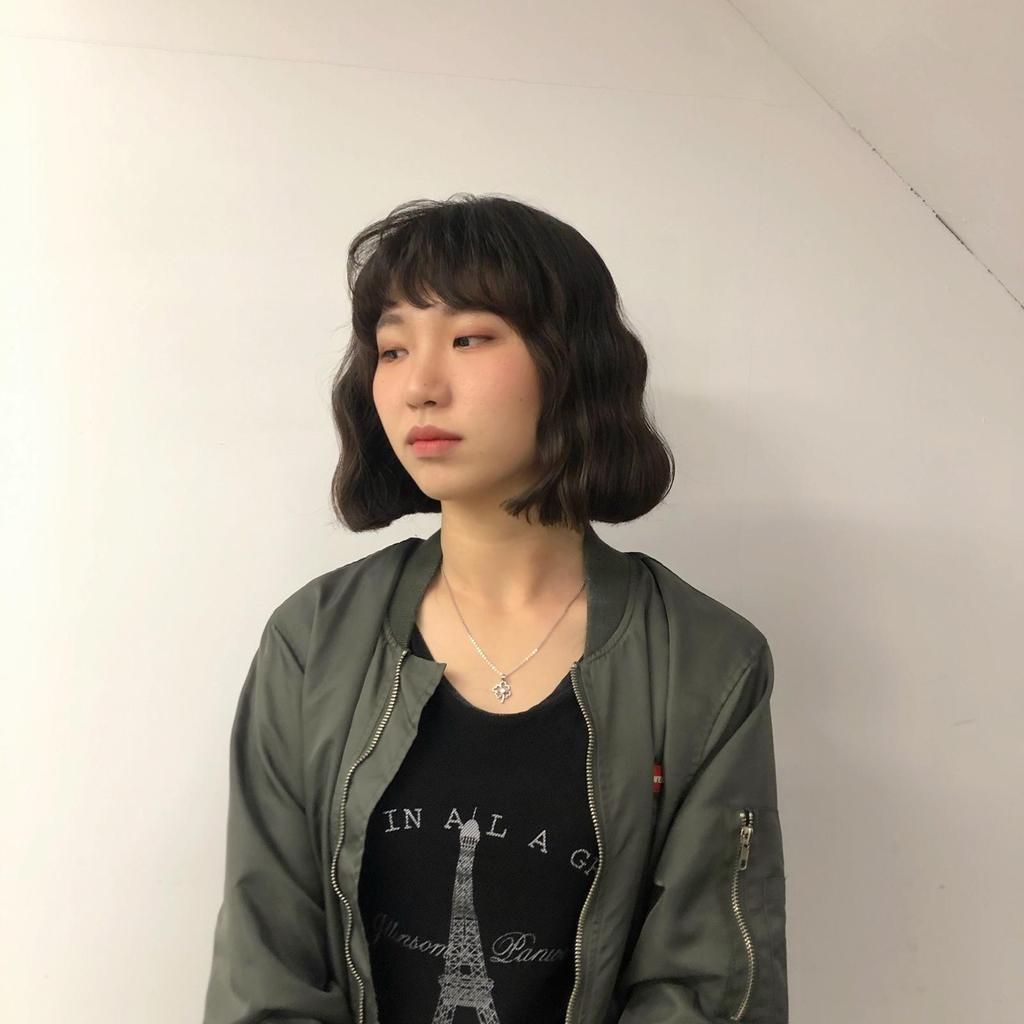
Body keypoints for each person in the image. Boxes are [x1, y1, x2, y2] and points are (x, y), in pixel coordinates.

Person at [203, 193, 788, 1024]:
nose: (420, 387)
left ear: (570, 361)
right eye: (392, 348)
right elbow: (265, 967)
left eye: (469, 338)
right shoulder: (314, 639)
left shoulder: (705, 663)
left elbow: (709, 983)